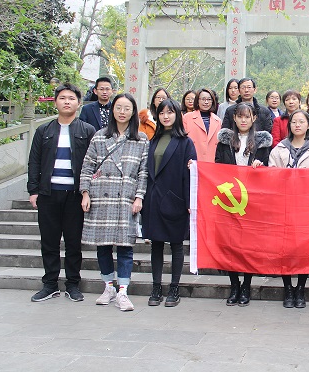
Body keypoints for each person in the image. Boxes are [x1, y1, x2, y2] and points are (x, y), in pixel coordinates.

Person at [80, 93, 149, 312]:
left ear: (133, 111)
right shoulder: (100, 136)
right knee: (103, 245)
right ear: (113, 110)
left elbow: (143, 172)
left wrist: (139, 196)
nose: (122, 112)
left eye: (127, 108)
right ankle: (108, 287)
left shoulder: (141, 139)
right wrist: (85, 193)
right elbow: (87, 166)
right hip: (101, 196)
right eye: (118, 107)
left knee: (125, 246)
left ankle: (123, 291)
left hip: (125, 197)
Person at [27, 84, 96, 302]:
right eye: (63, 98)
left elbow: (93, 164)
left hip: (75, 194)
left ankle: (73, 284)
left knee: (73, 242)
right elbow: (34, 161)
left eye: (71, 98)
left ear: (79, 103)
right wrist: (33, 190)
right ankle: (50, 284)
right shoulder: (43, 131)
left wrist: (87, 191)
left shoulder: (87, 131)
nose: (67, 102)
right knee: (49, 241)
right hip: (48, 193)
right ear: (56, 102)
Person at [215, 103, 272, 306]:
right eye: (240, 116)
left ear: (254, 118)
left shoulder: (262, 143)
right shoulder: (224, 142)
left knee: (249, 246)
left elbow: (269, 171)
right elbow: (216, 168)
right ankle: (234, 285)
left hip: (252, 201)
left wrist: (260, 166)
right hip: (230, 199)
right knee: (230, 244)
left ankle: (246, 285)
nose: (243, 120)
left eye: (247, 116)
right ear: (234, 118)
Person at [269, 109, 309, 308]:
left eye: (302, 121)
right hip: (283, 206)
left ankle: (300, 288)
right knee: (284, 249)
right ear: (289, 125)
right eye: (294, 122)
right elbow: (271, 177)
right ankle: (288, 288)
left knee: (304, 249)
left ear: (308, 125)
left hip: (306, 208)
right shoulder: (278, 150)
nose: (298, 125)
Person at [143, 99, 197, 308]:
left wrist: (189, 201)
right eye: (162, 113)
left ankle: (174, 288)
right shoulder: (153, 140)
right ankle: (156, 287)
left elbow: (190, 175)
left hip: (175, 199)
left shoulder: (185, 142)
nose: (166, 116)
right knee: (156, 244)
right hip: (153, 198)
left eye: (170, 112)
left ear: (177, 115)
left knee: (176, 245)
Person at [183, 88, 222, 162]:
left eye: (209, 99)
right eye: (203, 99)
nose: (206, 102)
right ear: (197, 101)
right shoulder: (187, 118)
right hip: (192, 162)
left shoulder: (218, 120)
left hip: (212, 163)